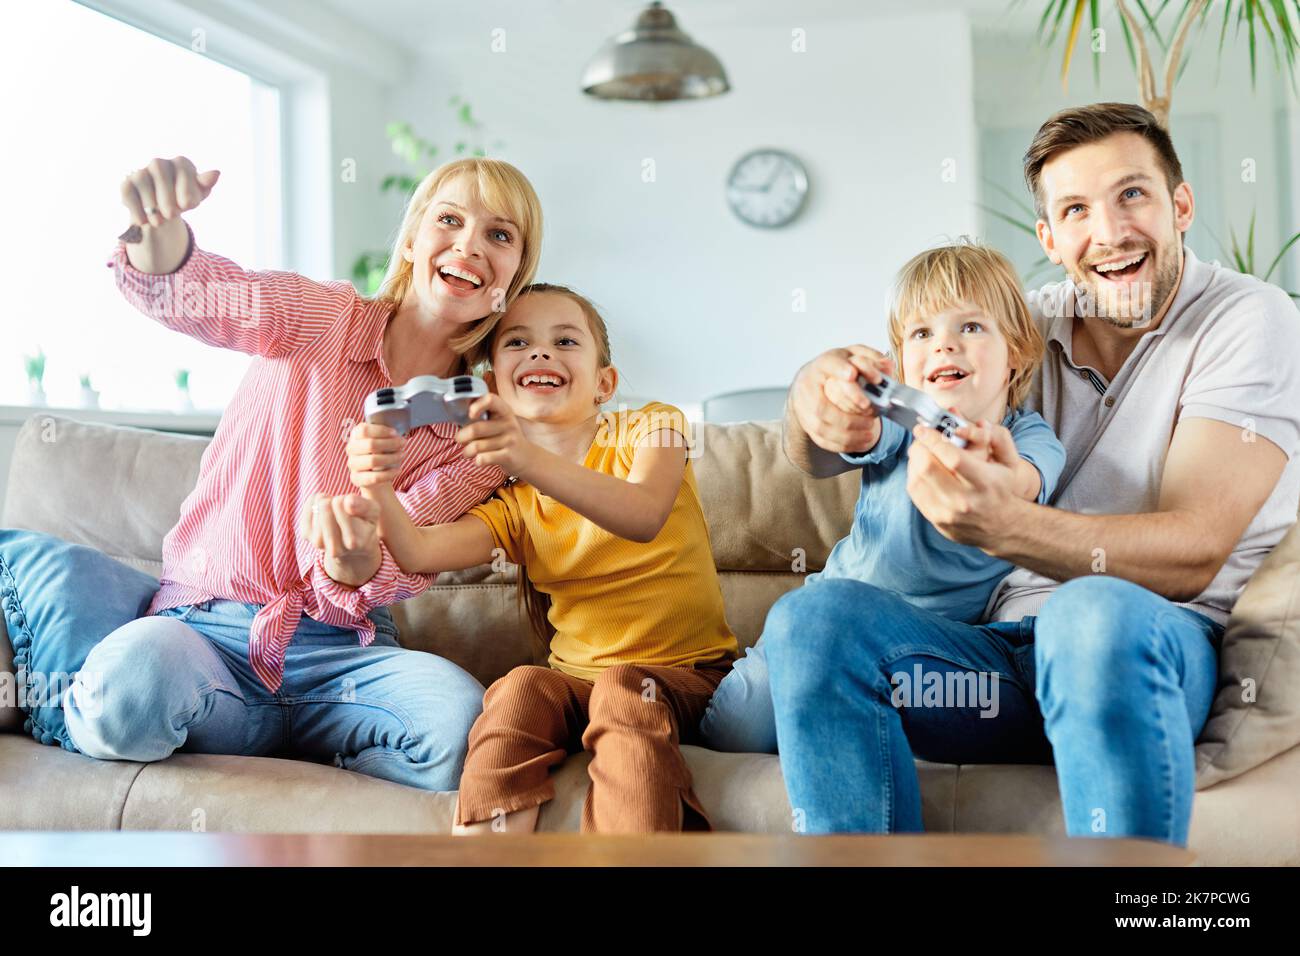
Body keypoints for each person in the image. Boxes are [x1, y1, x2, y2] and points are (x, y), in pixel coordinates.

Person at [770, 102, 1300, 844]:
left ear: (1181, 204)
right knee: (812, 619)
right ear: (1050, 239)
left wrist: (1011, 526)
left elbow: (1194, 550)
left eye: (1133, 195)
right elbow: (832, 440)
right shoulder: (1022, 327)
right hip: (996, 667)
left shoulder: (1249, 319)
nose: (1109, 233)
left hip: (1144, 646)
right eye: (1077, 209)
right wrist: (814, 401)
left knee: (1090, 615)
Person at [62, 154, 542, 793]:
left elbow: (401, 556)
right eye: (448, 219)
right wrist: (163, 238)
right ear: (409, 240)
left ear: (514, 274)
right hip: (210, 628)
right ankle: (250, 728)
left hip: (346, 653)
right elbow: (228, 302)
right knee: (128, 695)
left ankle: (291, 745)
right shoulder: (326, 318)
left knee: (459, 729)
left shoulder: (477, 432)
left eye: (499, 235)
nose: (469, 245)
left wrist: (353, 561)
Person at [324, 283, 740, 832]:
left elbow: (642, 515)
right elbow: (418, 550)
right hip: (576, 684)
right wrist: (376, 488)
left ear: (604, 384)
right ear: (492, 385)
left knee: (621, 690)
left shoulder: (653, 427)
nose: (541, 353)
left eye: (565, 341)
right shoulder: (515, 506)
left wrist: (524, 455)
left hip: (686, 677)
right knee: (518, 687)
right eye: (518, 342)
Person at [701, 241, 1065, 754]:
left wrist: (995, 475)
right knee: (732, 731)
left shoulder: (1029, 438)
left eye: (971, 327)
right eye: (922, 333)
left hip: (924, 646)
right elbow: (860, 436)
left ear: (1018, 353)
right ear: (901, 363)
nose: (943, 345)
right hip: (823, 617)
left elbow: (1025, 481)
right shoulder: (902, 425)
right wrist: (848, 402)